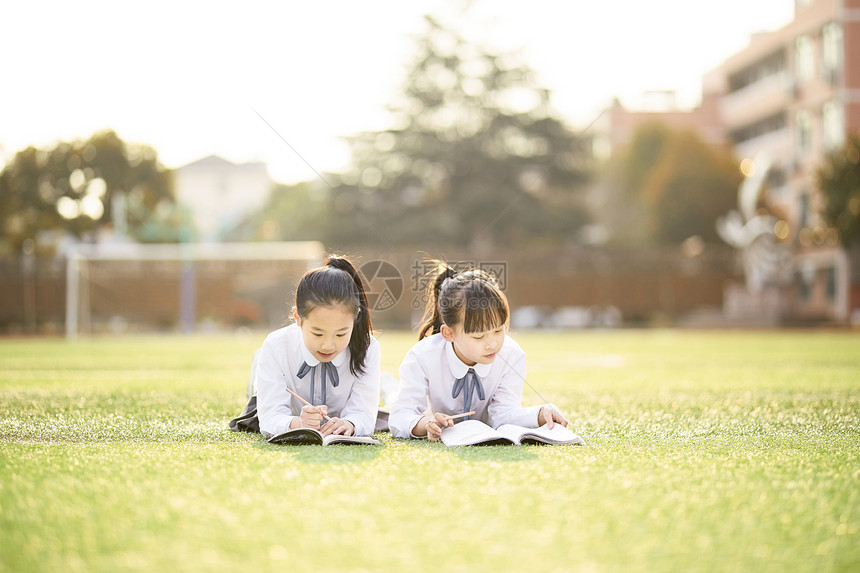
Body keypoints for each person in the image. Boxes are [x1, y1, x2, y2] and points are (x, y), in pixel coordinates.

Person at [389, 261, 568, 441]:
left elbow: (503, 413)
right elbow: (400, 416)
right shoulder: (422, 356)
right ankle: (387, 386)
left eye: (499, 330)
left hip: (482, 434)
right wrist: (423, 423)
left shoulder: (511, 354)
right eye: (478, 337)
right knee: (392, 397)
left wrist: (539, 413)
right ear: (449, 333)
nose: (492, 344)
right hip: (429, 415)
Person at [229, 256, 380, 439]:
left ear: (355, 319)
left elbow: (364, 414)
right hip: (268, 377)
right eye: (317, 333)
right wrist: (298, 424)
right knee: (258, 385)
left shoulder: (368, 347)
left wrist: (350, 423)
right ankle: (257, 363)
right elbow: (270, 417)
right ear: (297, 318)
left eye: (341, 334)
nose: (328, 345)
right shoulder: (276, 346)